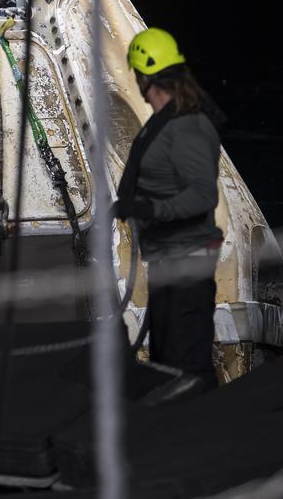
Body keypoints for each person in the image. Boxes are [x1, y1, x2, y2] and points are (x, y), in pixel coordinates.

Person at [112, 27, 226, 391]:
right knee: (167, 362)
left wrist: (149, 207)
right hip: (169, 262)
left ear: (146, 76)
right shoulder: (168, 122)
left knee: (187, 366)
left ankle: (202, 435)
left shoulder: (188, 127)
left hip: (187, 266)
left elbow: (202, 196)